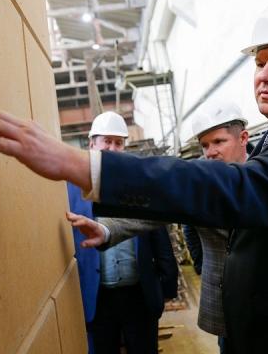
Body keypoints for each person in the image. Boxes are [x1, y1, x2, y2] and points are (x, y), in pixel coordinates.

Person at [0, 0, 268, 353]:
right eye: (260, 63)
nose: (264, 76)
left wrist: (81, 165)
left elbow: (241, 188)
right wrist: (110, 229)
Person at [72, 102, 250, 353]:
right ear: (92, 143)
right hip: (222, 304)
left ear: (243, 138)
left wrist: (167, 282)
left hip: (266, 300)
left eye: (219, 142)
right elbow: (152, 217)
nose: (210, 152)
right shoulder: (200, 178)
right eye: (204, 145)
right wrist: (106, 230)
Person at [66, 111, 178, 354]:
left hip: (138, 294)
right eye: (107, 141)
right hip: (97, 297)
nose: (113, 148)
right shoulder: (72, 189)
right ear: (92, 143)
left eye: (118, 143)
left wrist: (167, 286)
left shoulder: (140, 185)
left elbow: (158, 236)